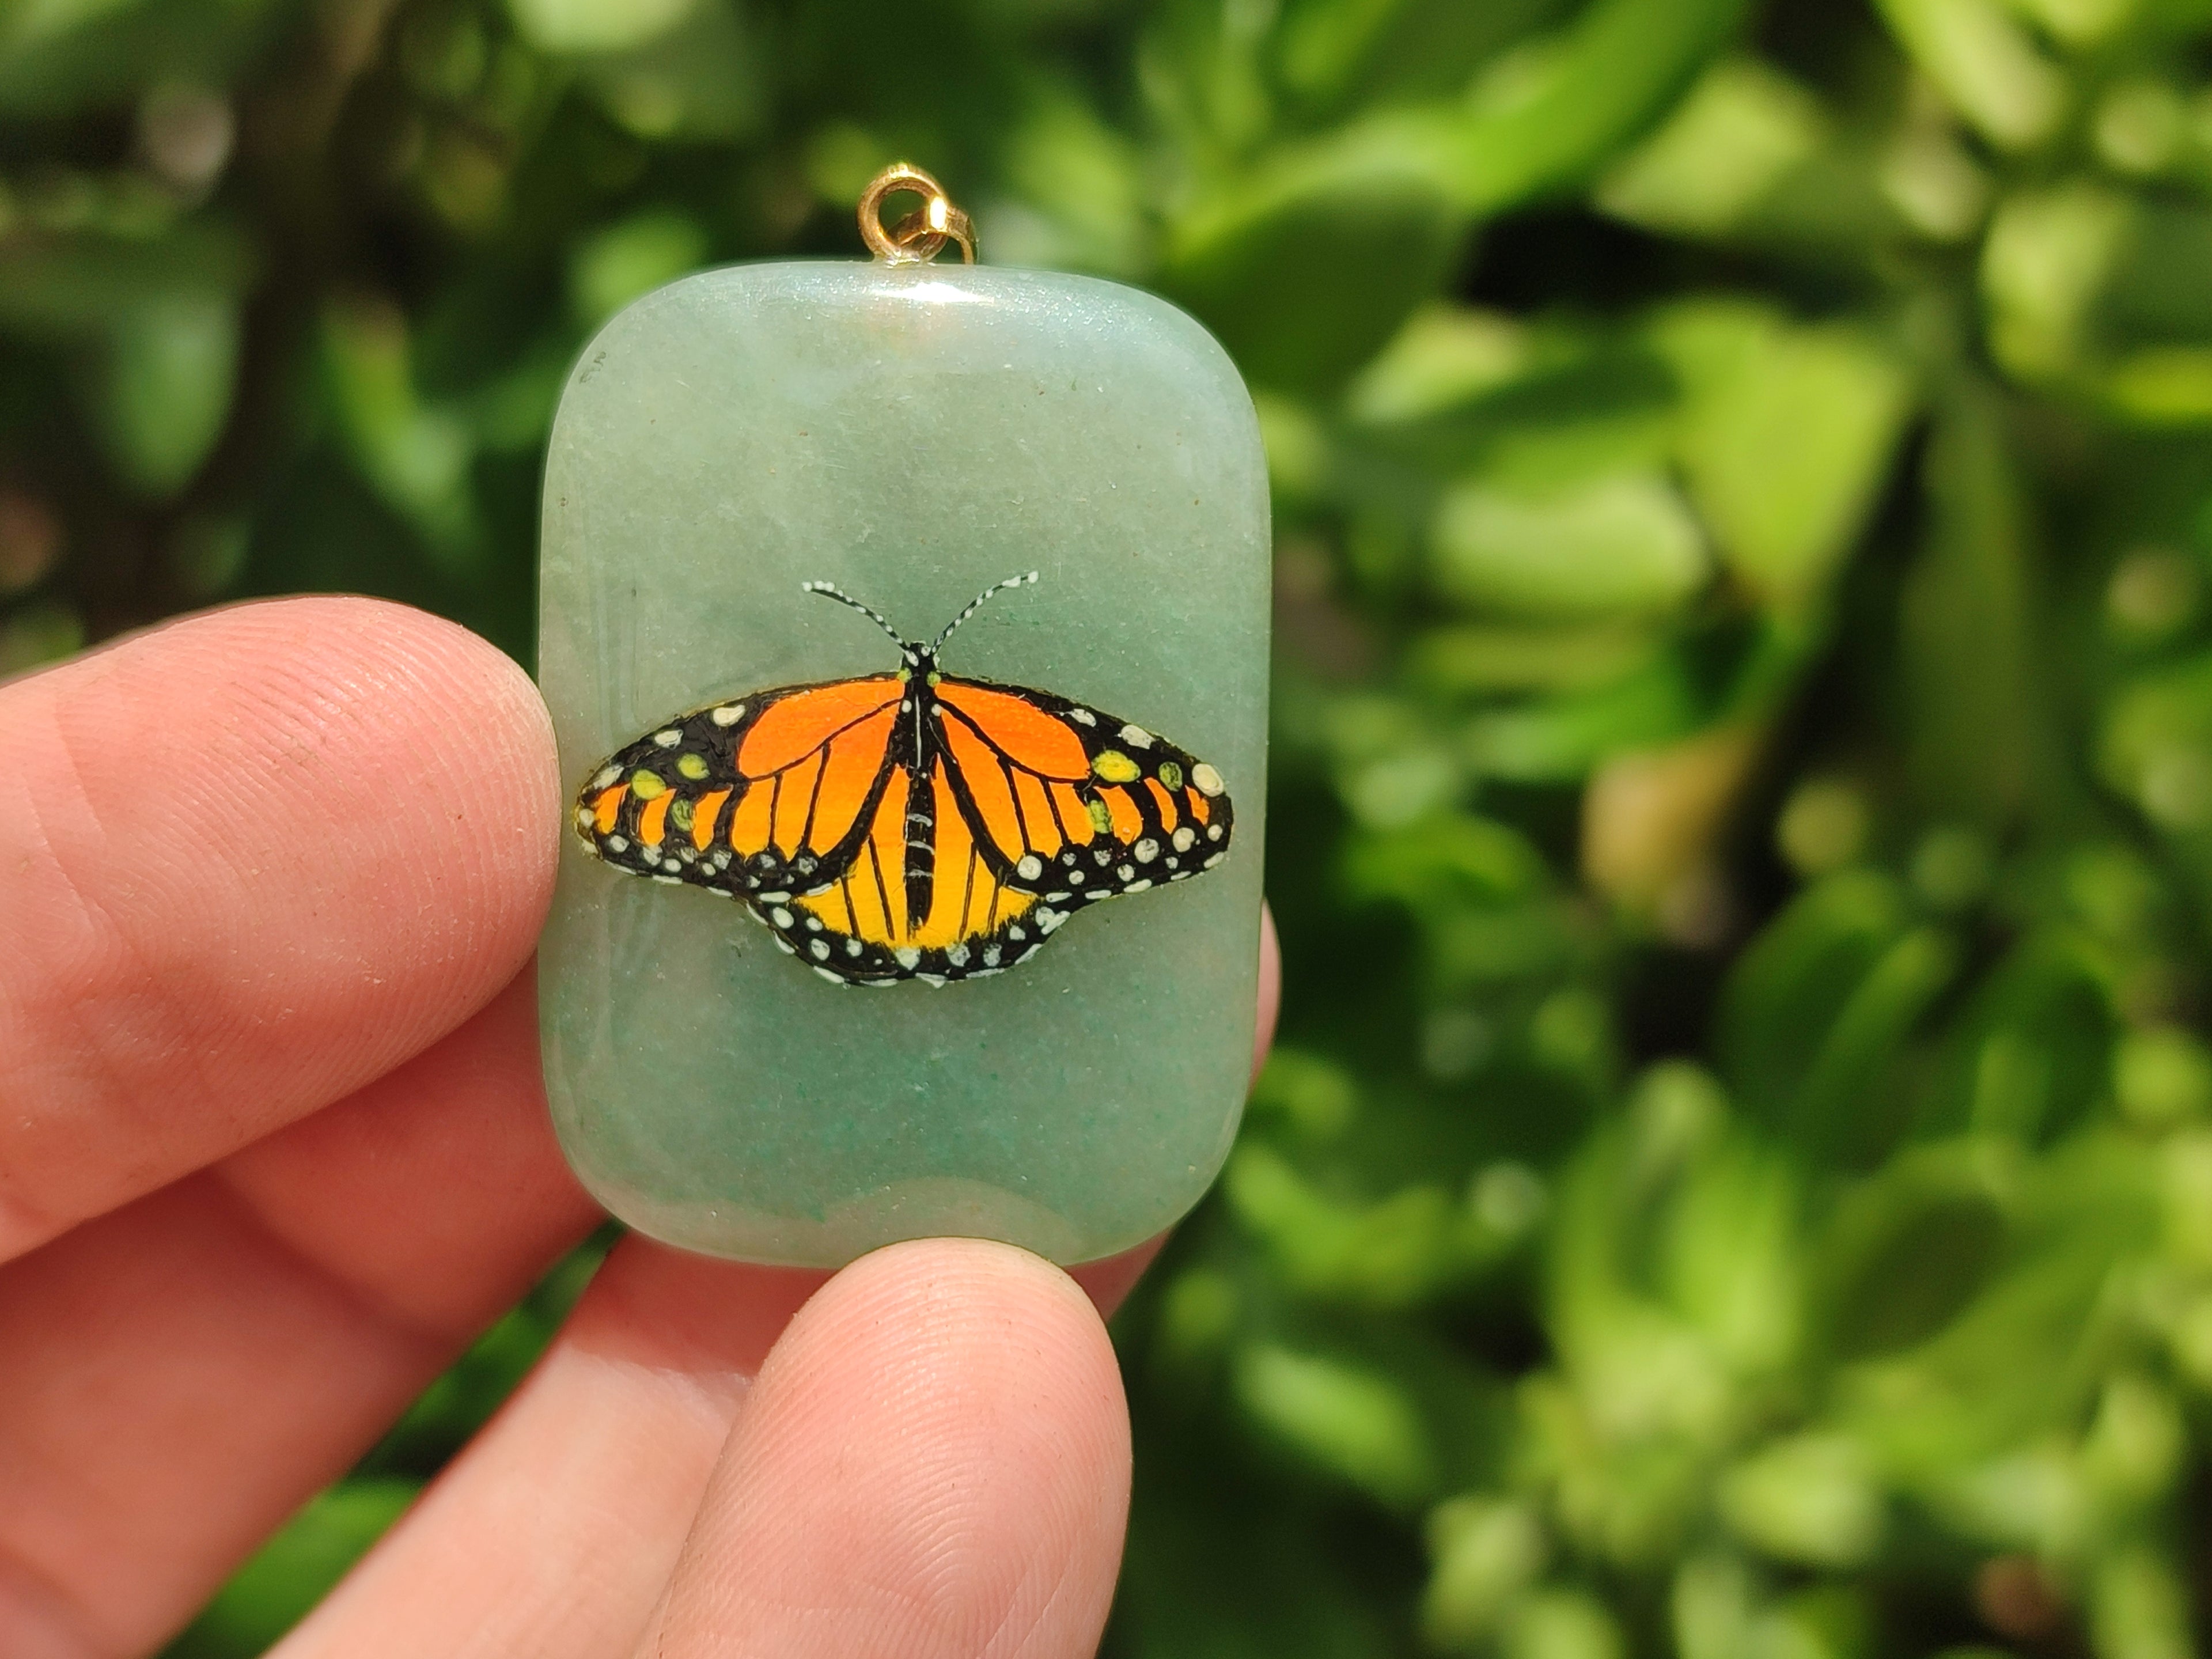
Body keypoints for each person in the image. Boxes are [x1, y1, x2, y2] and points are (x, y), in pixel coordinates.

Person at [0, 596, 1278, 1658]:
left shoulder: (796, 742)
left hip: (872, 873)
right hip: (934, 876)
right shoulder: (1036, 747)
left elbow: (723, 792)